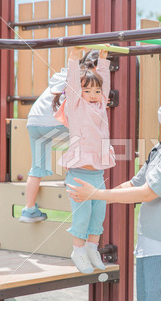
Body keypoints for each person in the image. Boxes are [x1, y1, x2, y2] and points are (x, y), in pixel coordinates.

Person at [67, 77, 161, 300]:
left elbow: (147, 192)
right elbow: (134, 185)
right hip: (149, 247)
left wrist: (96, 194)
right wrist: (90, 200)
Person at [20, 50, 100, 223]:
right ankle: (71, 174)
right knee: (84, 135)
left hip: (34, 121)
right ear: (94, 67)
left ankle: (29, 210)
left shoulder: (62, 74)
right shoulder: (82, 78)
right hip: (55, 121)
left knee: (37, 167)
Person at [60, 46, 115, 274]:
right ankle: (78, 250)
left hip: (97, 175)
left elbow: (106, 86)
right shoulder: (76, 106)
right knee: (82, 216)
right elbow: (73, 85)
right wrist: (74, 59)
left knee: (97, 216)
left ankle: (92, 248)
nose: (93, 95)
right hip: (79, 175)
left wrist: (103, 61)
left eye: (96, 91)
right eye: (87, 91)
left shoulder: (100, 105)